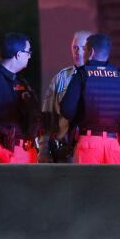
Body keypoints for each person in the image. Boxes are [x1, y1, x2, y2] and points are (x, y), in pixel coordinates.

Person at [60, 33, 120, 165]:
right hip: (115, 144)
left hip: (89, 142)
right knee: (115, 185)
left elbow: (66, 110)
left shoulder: (82, 74)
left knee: (88, 185)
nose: (82, 54)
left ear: (91, 52)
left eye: (85, 50)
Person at [0, 32, 42, 163]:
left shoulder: (18, 81)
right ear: (18, 54)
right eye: (28, 52)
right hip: (10, 152)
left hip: (26, 151)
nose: (29, 56)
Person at [40, 30, 91, 163]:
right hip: (65, 150)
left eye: (83, 48)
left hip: (91, 148)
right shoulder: (61, 78)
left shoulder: (99, 76)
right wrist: (43, 150)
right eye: (75, 48)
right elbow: (47, 116)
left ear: (91, 50)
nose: (78, 52)